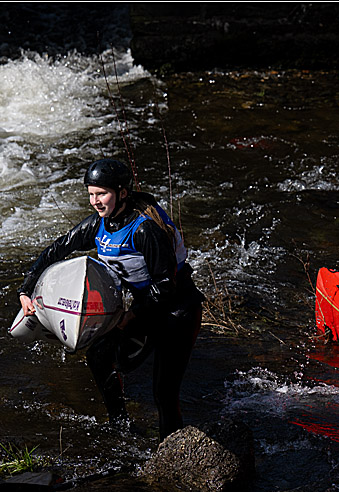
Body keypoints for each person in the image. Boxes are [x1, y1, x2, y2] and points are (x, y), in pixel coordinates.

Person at [18, 159, 204, 439]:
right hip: (147, 309)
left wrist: (131, 315)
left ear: (122, 193)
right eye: (91, 194)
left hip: (177, 314)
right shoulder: (99, 223)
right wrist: (25, 290)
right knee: (99, 355)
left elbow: (165, 285)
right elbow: (58, 249)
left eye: (102, 194)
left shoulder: (145, 230)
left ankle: (171, 452)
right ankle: (120, 426)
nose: (95, 201)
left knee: (164, 393)